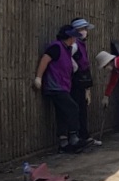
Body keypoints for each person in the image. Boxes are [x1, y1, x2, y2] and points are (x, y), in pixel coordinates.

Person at [33, 25, 86, 153]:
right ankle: (73, 137)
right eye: (74, 37)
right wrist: (38, 77)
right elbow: (45, 60)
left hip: (63, 86)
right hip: (55, 86)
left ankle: (63, 142)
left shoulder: (66, 50)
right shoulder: (56, 47)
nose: (75, 40)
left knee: (62, 113)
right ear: (69, 37)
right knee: (73, 108)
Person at [69, 17, 97, 144]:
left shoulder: (81, 44)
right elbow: (67, 56)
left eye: (85, 29)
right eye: (82, 29)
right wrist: (74, 65)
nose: (85, 31)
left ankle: (84, 135)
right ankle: (78, 136)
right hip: (75, 80)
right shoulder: (75, 45)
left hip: (82, 80)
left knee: (82, 109)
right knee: (77, 109)